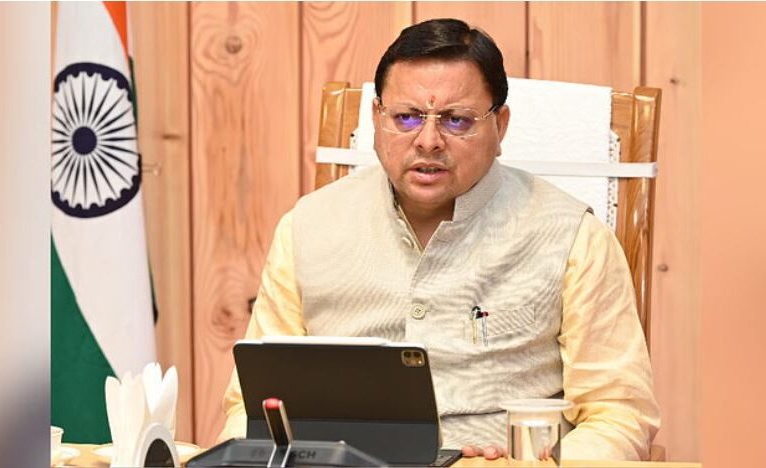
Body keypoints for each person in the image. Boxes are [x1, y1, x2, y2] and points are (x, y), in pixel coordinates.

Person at [218, 18, 659, 461]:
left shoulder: (573, 236)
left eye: (456, 120)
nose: (428, 141)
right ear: (376, 119)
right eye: (406, 117)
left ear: (500, 125)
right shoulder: (307, 227)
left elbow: (618, 413)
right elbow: (253, 409)